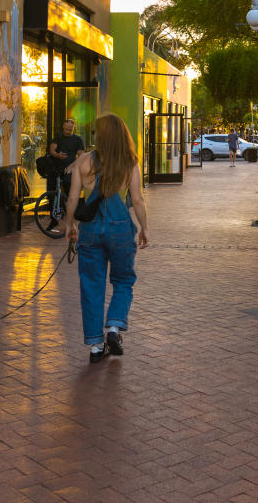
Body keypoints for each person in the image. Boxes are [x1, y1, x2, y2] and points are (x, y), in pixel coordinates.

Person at [57, 113, 149, 363]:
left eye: (96, 131)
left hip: (91, 231)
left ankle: (96, 346)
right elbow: (137, 200)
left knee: (91, 286)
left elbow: (74, 198)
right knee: (123, 280)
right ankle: (115, 327)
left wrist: (70, 225)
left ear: (102, 135)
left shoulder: (84, 161)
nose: (94, 135)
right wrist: (144, 228)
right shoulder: (129, 161)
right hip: (120, 229)